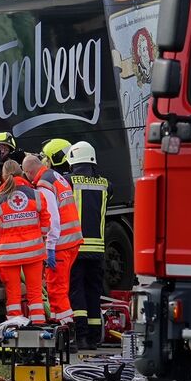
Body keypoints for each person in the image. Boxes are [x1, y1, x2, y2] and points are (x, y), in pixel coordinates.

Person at [0, 159, 50, 324]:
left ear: (3, 176)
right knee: (35, 293)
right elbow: (46, 224)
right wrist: (38, 236)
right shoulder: (36, 195)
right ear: (21, 173)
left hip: (8, 256)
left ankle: (15, 328)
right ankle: (38, 326)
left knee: (13, 295)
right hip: (33, 253)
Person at [23, 151, 80, 325]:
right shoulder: (55, 176)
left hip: (60, 244)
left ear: (29, 172)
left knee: (56, 289)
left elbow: (52, 218)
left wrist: (50, 247)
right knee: (60, 287)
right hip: (71, 240)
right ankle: (57, 322)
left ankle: (67, 326)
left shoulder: (44, 185)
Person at [67, 140, 110, 350]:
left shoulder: (69, 181)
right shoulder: (105, 184)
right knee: (93, 292)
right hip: (98, 249)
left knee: (77, 291)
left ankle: (81, 336)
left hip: (77, 247)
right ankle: (94, 337)